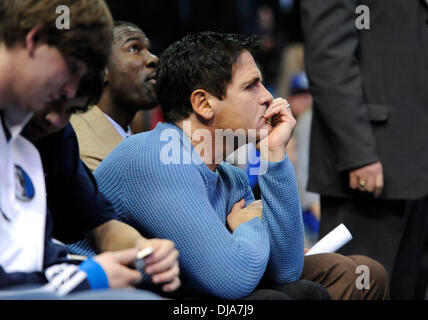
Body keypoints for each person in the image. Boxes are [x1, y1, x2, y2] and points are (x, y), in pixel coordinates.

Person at [87, 31, 388, 300]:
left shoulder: (229, 176)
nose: (269, 97)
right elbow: (232, 282)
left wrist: (273, 153)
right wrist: (250, 223)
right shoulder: (155, 157)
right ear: (203, 103)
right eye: (251, 87)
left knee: (365, 273)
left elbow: (286, 269)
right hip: (101, 293)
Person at [0, 0, 166, 298]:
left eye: (72, 106)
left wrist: (144, 251)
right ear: (35, 41)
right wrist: (85, 277)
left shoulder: (28, 148)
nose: (70, 91)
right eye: (70, 71)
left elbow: (32, 254)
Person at [300, 1, 428, 299]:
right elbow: (328, 55)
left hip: (418, 161)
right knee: (359, 289)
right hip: (369, 162)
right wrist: (358, 152)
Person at [22, 72, 180, 294]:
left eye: (70, 110)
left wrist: (143, 249)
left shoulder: (57, 134)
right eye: (51, 100)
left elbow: (102, 226)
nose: (55, 119)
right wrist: (87, 278)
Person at [70, 21, 159, 171]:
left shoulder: (129, 139)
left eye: (148, 50)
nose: (153, 58)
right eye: (134, 48)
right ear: (102, 68)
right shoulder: (79, 144)